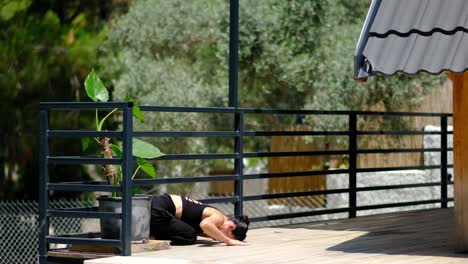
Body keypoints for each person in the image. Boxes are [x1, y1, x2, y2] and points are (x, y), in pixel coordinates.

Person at [149, 193, 249, 246]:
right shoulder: (219, 217)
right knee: (189, 236)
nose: (219, 240)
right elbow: (205, 225)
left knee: (189, 233)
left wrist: (211, 235)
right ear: (231, 227)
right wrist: (228, 241)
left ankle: (148, 234)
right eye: (230, 236)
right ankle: (150, 236)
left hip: (154, 206)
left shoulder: (215, 216)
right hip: (159, 210)